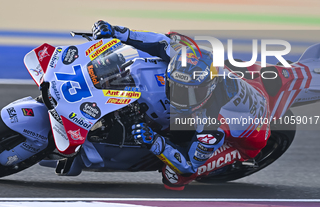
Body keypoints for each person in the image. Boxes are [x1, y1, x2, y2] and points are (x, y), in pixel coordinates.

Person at [92, 20, 271, 190]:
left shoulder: (212, 125)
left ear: (209, 89)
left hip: (252, 138)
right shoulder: (182, 56)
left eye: (193, 93)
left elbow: (188, 165)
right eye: (178, 87)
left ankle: (230, 157)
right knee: (159, 47)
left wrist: (154, 141)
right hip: (239, 85)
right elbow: (159, 41)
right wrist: (115, 31)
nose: (182, 97)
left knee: (174, 177)